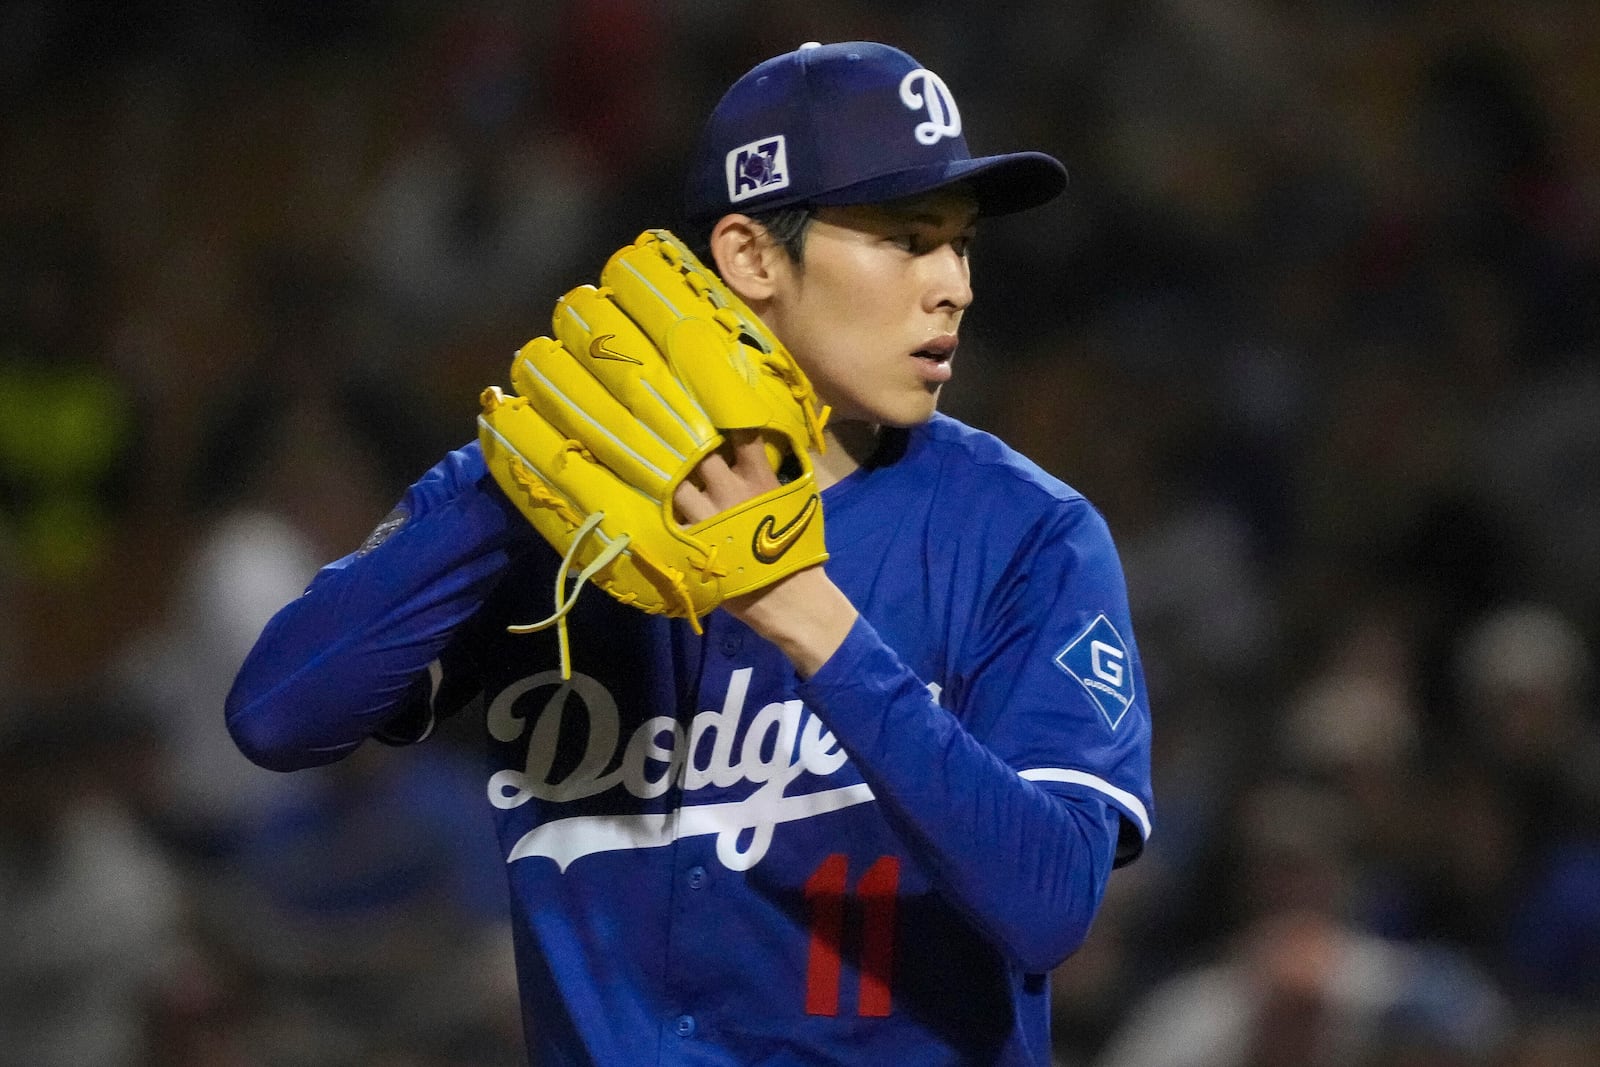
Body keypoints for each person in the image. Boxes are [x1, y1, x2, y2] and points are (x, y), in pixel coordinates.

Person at [228, 40, 1154, 1066]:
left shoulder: (1025, 532)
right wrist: (522, 478)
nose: (953, 287)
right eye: (904, 238)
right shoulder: (540, 496)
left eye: (960, 243)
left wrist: (808, 614)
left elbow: (1050, 904)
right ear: (752, 256)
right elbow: (279, 713)